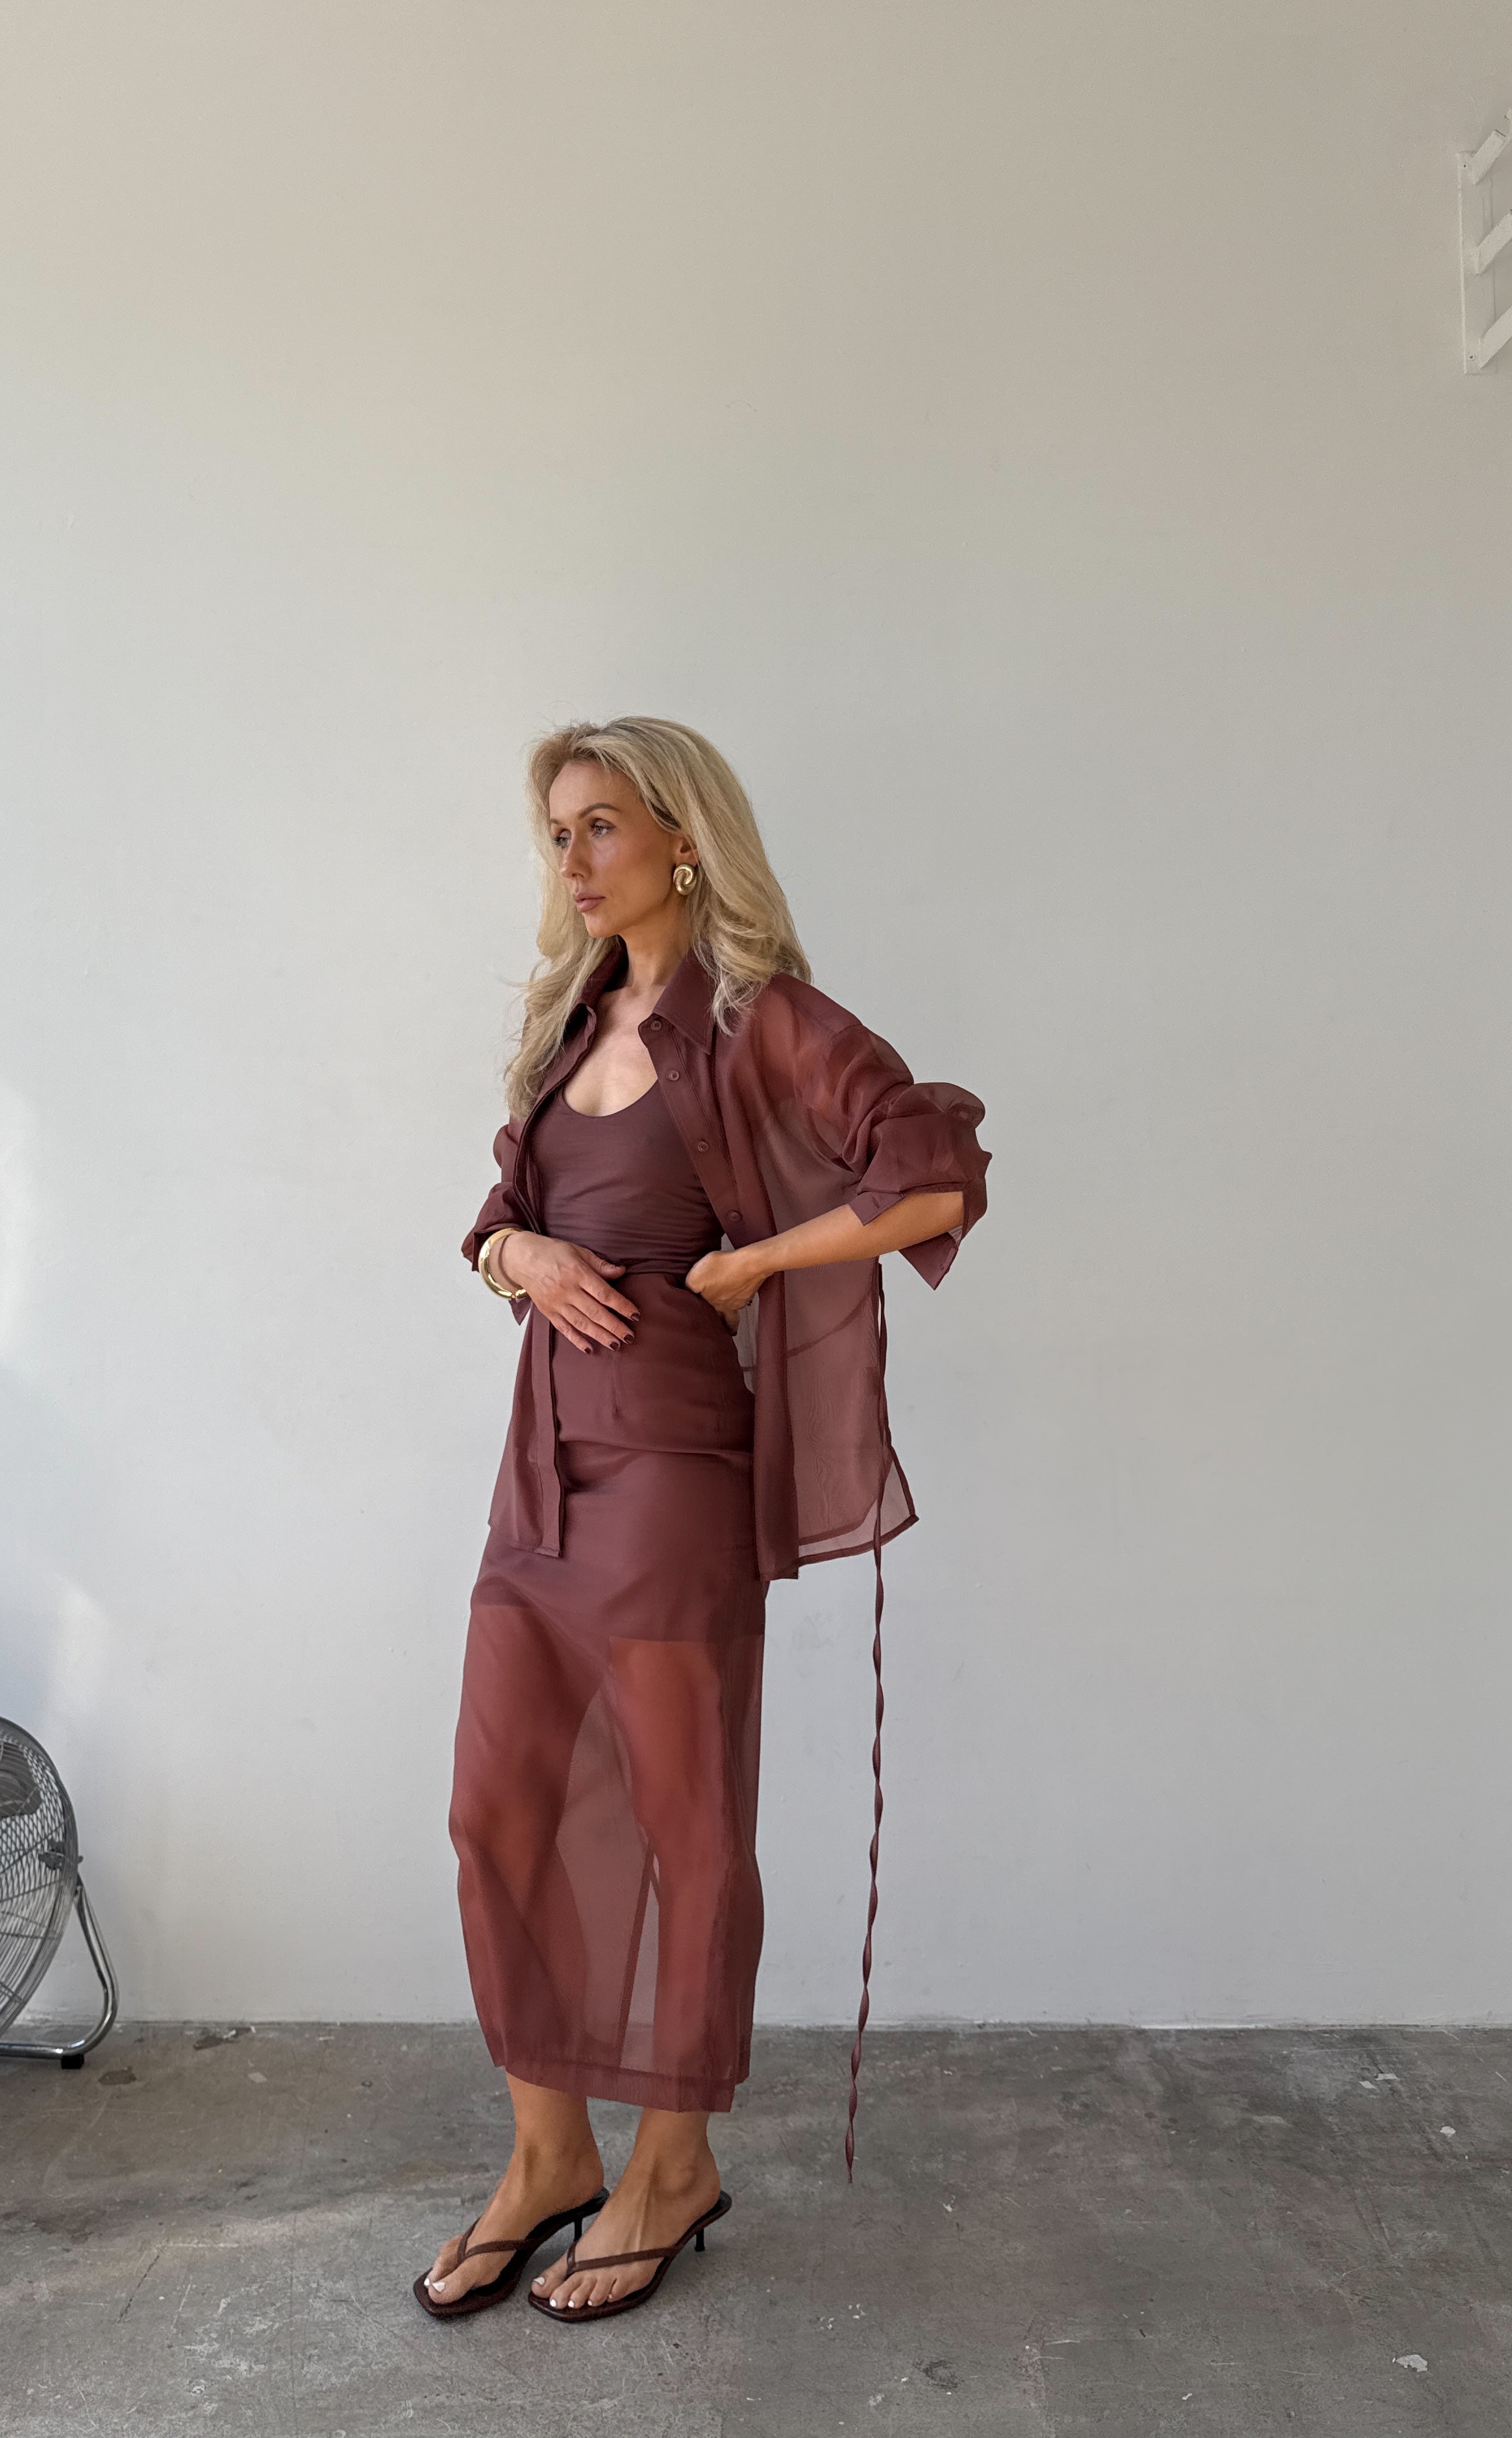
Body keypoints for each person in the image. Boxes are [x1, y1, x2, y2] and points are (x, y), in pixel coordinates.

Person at [415, 717, 989, 2324]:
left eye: (600, 827)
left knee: (682, 1823)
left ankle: (673, 2162)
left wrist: (756, 1265)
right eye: (556, 835)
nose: (573, 861)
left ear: (684, 837)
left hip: (673, 1471)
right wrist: (512, 1259)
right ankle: (550, 2157)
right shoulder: (563, 1024)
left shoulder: (761, 1023)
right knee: (496, 1815)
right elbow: (497, 1220)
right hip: (536, 1473)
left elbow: (934, 1174)